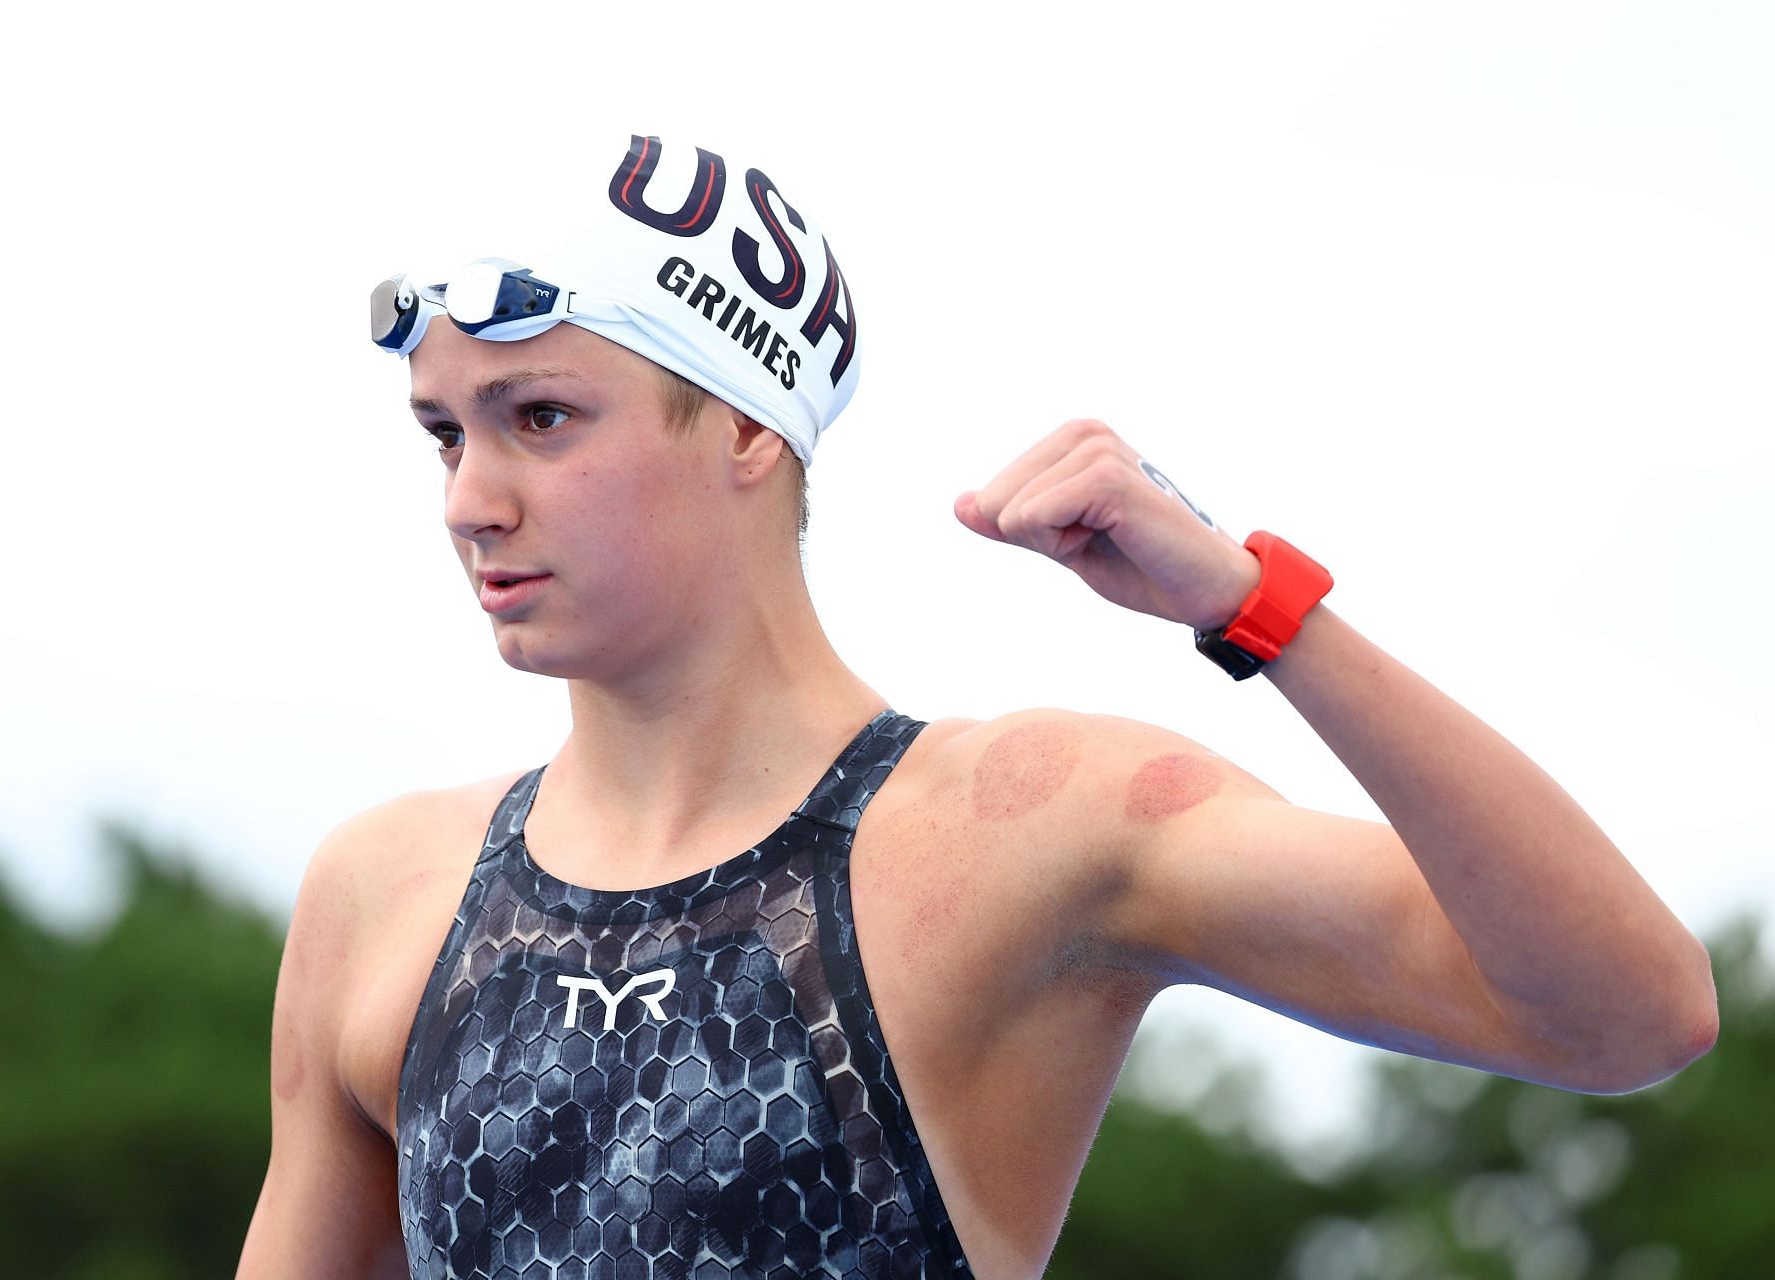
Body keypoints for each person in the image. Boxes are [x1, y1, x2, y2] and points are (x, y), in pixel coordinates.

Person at [235, 133, 1719, 1280]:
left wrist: (1256, 609)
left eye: (542, 420)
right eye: (444, 437)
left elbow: (1628, 1013)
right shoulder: (386, 894)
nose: (471, 503)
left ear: (749, 427)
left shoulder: (1017, 833)